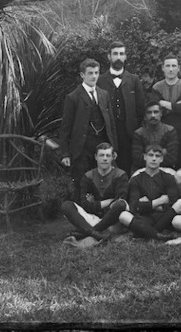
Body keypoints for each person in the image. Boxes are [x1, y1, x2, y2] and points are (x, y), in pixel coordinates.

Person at [59, 58, 118, 203]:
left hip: (102, 146)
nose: (94, 76)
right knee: (82, 183)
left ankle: (100, 216)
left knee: (103, 181)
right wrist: (65, 153)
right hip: (82, 147)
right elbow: (66, 127)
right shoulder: (73, 97)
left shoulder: (103, 94)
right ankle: (81, 218)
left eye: (96, 73)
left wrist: (113, 148)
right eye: (90, 73)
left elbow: (111, 125)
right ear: (82, 75)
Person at [60, 142, 129, 241]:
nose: (105, 158)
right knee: (66, 205)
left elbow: (118, 201)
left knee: (121, 204)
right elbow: (84, 204)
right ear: (96, 157)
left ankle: (87, 233)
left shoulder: (120, 175)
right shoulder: (88, 176)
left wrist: (95, 204)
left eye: (108, 155)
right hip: (92, 218)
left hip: (112, 221)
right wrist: (107, 202)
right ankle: (96, 233)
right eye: (101, 155)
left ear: (113, 157)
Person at [97, 41, 146, 175]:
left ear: (125, 57)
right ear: (109, 57)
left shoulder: (134, 80)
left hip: (128, 131)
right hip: (106, 132)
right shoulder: (100, 80)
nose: (118, 57)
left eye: (121, 54)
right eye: (115, 54)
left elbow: (140, 108)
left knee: (126, 166)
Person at [118, 144, 181, 241]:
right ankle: (157, 235)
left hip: (164, 217)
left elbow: (173, 202)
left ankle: (146, 233)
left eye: (157, 156)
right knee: (123, 216)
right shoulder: (136, 179)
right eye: (151, 155)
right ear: (145, 157)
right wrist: (158, 202)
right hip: (144, 218)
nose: (154, 159)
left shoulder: (168, 178)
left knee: (180, 204)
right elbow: (134, 206)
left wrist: (146, 204)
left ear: (161, 159)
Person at [150, 54, 181, 161]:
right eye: (168, 66)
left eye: (174, 66)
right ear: (163, 68)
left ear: (178, 68)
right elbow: (155, 111)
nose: (171, 69)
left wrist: (165, 104)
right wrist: (177, 106)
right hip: (163, 132)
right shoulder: (157, 87)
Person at [131, 100, 179, 173]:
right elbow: (137, 159)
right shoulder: (138, 133)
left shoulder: (170, 131)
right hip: (144, 170)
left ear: (161, 113)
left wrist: (147, 155)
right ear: (145, 116)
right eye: (149, 112)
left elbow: (172, 158)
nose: (153, 115)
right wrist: (162, 153)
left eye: (156, 112)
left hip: (165, 170)